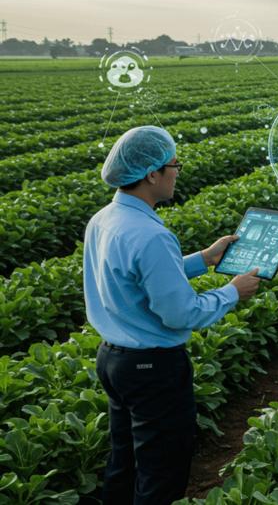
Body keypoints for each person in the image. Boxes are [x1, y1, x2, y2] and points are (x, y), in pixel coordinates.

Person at [84, 125, 261, 504]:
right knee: (162, 473)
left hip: (114, 360)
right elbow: (181, 313)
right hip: (153, 369)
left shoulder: (105, 219)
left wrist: (204, 259)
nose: (178, 171)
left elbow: (137, 278)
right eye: (174, 164)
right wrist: (232, 292)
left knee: (125, 460)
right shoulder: (150, 234)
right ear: (152, 174)